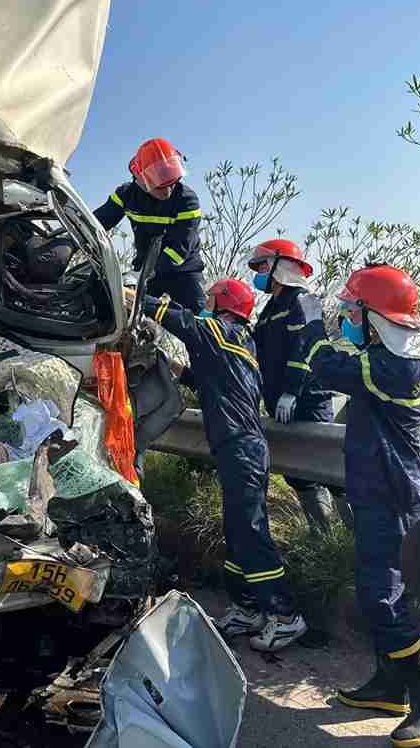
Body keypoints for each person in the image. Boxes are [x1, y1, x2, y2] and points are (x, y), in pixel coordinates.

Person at [297, 264, 420, 748]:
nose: (344, 316)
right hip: (376, 488)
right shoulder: (383, 353)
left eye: (350, 310)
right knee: (379, 591)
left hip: (391, 494)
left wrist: (312, 327)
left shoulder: (394, 365)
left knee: (384, 597)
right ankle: (389, 687)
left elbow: (323, 363)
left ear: (374, 316)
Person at [131, 278, 307, 651]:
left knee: (250, 533)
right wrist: (173, 368)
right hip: (239, 450)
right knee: (238, 532)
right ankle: (247, 609)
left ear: (224, 304)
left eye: (212, 299)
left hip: (242, 450)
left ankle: (286, 615)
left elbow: (177, 318)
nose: (206, 303)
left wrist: (132, 296)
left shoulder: (220, 330)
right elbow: (209, 380)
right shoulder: (236, 344)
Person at [247, 238, 350, 533]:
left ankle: (352, 538)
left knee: (328, 470)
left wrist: (292, 390)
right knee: (300, 473)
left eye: (264, 265)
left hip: (308, 400)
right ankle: (323, 536)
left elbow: (302, 350)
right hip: (280, 403)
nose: (260, 272)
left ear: (283, 267)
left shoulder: (301, 301)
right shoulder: (269, 309)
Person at [94, 138, 206, 312]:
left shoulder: (187, 200)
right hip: (146, 268)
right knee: (125, 313)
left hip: (183, 270)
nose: (168, 191)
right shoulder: (126, 195)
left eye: (172, 182)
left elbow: (180, 248)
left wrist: (146, 273)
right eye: (160, 185)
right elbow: (99, 222)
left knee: (197, 317)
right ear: (141, 178)